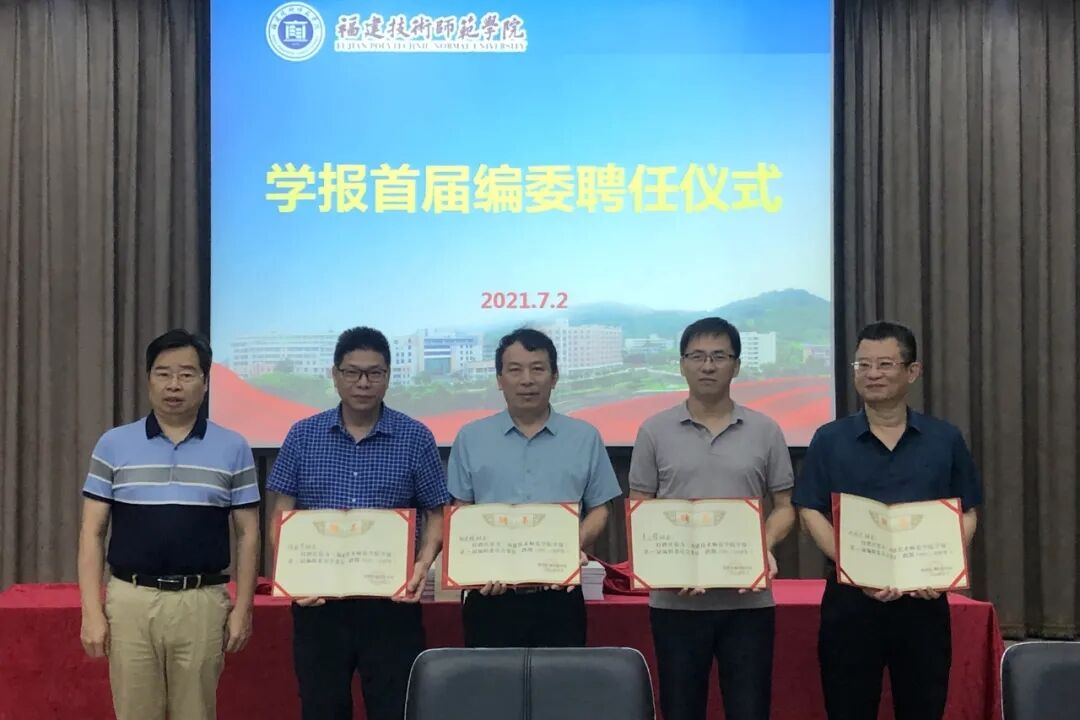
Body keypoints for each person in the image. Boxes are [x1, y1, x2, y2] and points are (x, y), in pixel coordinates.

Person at [793, 321, 982, 720]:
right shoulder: (829, 438)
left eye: (884, 364)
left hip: (923, 602)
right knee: (847, 708)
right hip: (850, 601)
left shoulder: (944, 439)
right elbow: (810, 509)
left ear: (912, 371)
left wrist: (941, 567)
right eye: (862, 365)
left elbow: (967, 511)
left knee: (923, 708)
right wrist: (852, 565)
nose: (872, 374)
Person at [267, 326, 450, 720]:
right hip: (319, 605)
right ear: (335, 375)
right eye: (352, 372)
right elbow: (281, 515)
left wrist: (422, 564)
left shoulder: (415, 437)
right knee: (322, 708)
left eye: (374, 373)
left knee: (394, 708)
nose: (363, 383)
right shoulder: (303, 435)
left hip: (390, 606)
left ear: (388, 376)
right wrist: (293, 576)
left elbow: (437, 512)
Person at [77, 329, 260, 720]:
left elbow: (248, 534)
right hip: (130, 600)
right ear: (148, 380)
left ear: (205, 383)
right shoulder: (113, 444)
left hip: (201, 602)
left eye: (186, 374)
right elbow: (92, 533)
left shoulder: (233, 447)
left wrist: (243, 608)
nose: (174, 385)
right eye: (163, 373)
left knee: (196, 712)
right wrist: (91, 611)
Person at [628, 317, 795, 720]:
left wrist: (762, 546)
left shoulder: (766, 430)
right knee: (681, 709)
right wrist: (663, 566)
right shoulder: (653, 430)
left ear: (736, 366)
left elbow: (785, 507)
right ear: (682, 364)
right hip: (675, 602)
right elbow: (640, 508)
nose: (708, 366)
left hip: (748, 601)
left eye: (719, 356)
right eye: (697, 356)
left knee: (749, 710)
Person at [447, 327, 622, 648]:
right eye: (515, 370)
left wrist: (570, 546)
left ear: (554, 377)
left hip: (559, 594)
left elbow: (600, 508)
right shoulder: (470, 438)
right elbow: (461, 508)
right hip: (490, 594)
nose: (527, 380)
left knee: (559, 679)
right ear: (499, 379)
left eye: (538, 369)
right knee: (489, 679)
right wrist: (477, 564)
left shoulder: (584, 437)